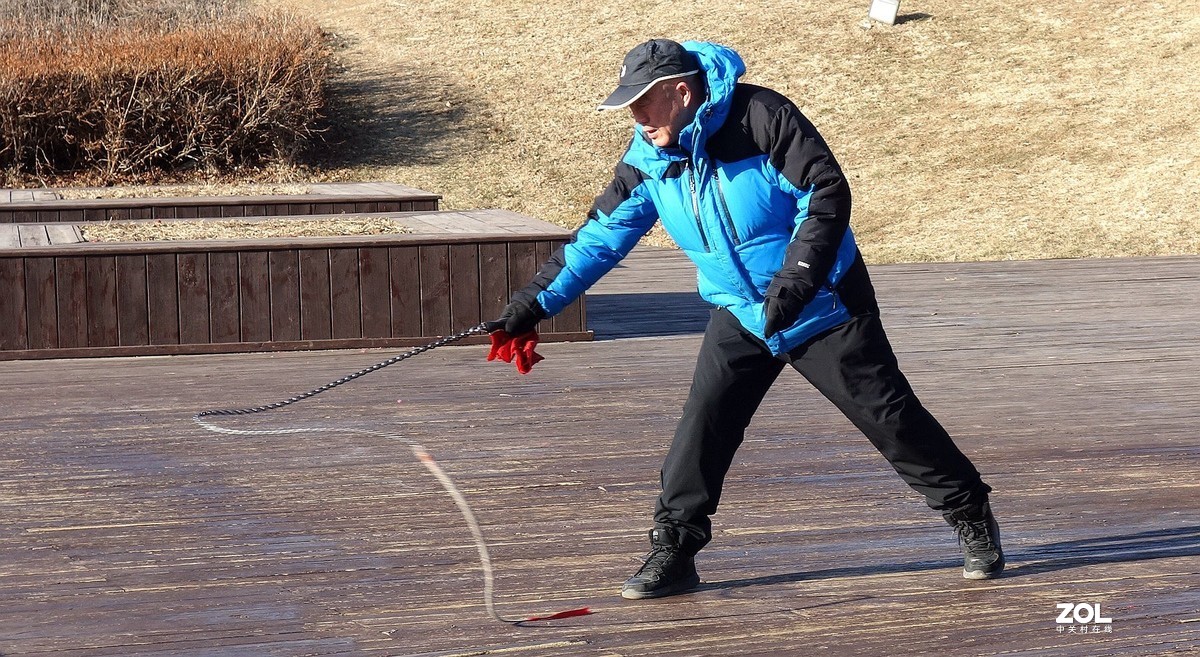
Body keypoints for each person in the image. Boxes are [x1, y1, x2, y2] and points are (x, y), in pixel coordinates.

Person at [485, 38, 1003, 600]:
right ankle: (676, 551)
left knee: (890, 418)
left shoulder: (763, 118)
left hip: (821, 304)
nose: (634, 117)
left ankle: (968, 511)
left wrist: (795, 284)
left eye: (641, 103)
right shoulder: (650, 156)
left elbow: (825, 194)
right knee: (703, 428)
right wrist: (534, 305)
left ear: (681, 92)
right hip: (740, 312)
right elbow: (600, 239)